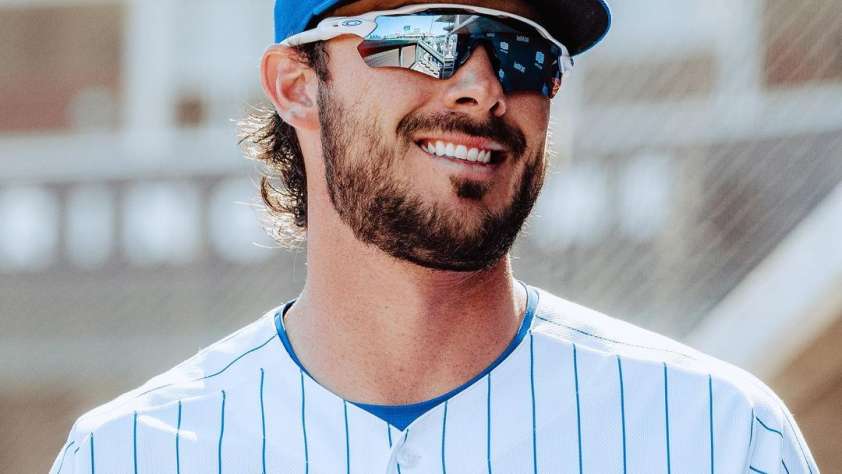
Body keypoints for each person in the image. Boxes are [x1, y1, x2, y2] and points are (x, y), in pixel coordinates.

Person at [50, 1, 820, 473]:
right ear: (297, 85)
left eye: (523, 50)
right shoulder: (130, 455)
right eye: (426, 36)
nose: (483, 88)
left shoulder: (719, 438)